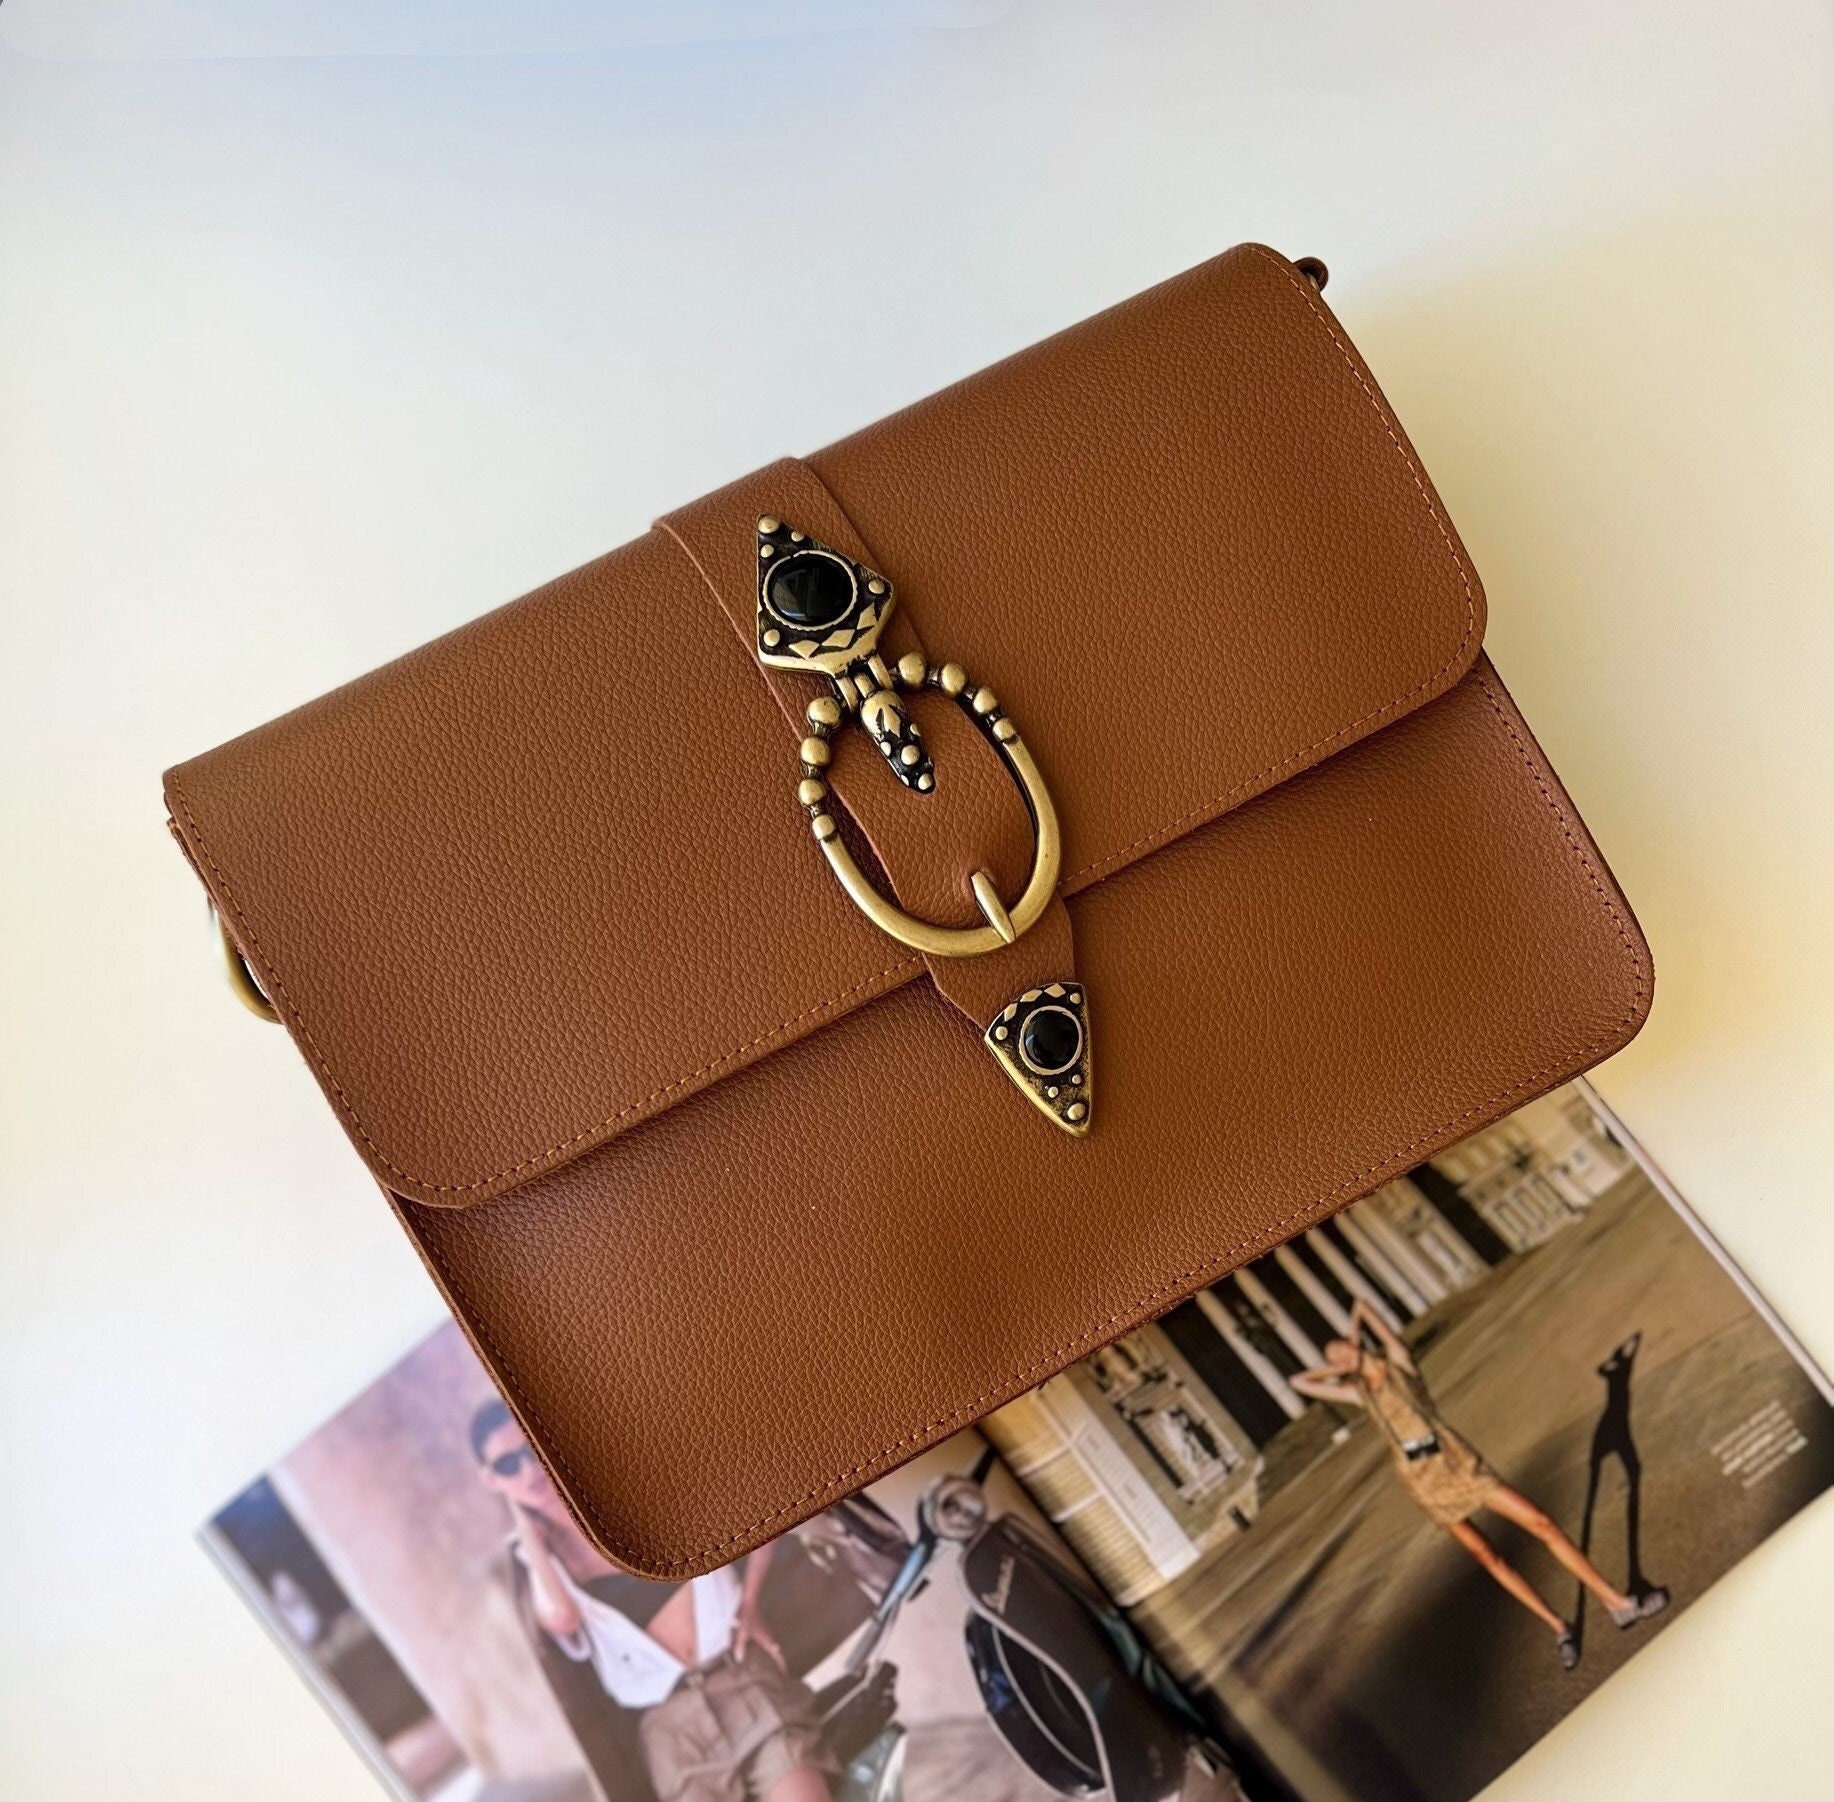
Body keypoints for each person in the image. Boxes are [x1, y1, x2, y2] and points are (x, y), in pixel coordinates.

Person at [471, 1399, 836, 1802]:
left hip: (742, 1680)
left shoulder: (639, 1484)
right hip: (672, 1730)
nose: (528, 1471)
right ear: (490, 1479)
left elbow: (755, 1508)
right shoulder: (534, 1563)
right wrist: (526, 1528)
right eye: (508, 1465)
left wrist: (750, 1602)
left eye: (531, 1451)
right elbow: (562, 1617)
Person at [1290, 1299, 1668, 1669]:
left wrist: (1352, 1338)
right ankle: (1559, 1627)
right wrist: (1337, 1366)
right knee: (1487, 1556)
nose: (1339, 1360)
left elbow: (1360, 1305)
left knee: (1540, 1522)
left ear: (1354, 1342)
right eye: (1332, 1359)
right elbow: (1298, 1382)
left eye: (1340, 1350)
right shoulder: (1360, 1394)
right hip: (1423, 1484)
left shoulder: (1398, 1362)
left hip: (1458, 1463)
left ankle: (1617, 1603)